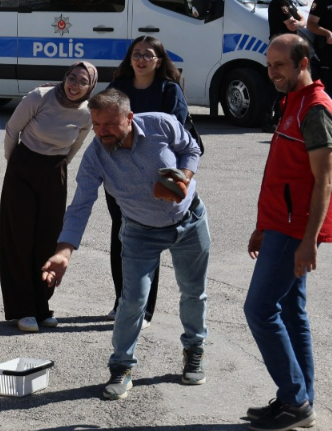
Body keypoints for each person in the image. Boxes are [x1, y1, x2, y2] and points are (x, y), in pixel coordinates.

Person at [41, 89, 208, 400]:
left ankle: (194, 351)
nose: (102, 132)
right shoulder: (95, 157)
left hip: (189, 220)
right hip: (140, 230)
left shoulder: (161, 124)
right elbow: (80, 206)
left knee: (193, 291)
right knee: (132, 301)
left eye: (110, 125)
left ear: (130, 118)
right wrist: (64, 252)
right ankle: (121, 367)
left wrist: (183, 179)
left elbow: (191, 148)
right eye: (96, 125)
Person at [243, 34, 332, 431]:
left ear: (302, 63)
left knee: (259, 309)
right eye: (269, 65)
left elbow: (325, 182)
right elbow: (284, 175)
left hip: (294, 231)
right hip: (279, 226)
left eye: (279, 65)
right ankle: (299, 400)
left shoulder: (315, 109)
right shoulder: (294, 102)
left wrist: (307, 241)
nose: (272, 72)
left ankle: (295, 399)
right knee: (289, 311)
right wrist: (262, 226)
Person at [0, 62, 95, 333]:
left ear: (90, 87)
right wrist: (14, 162)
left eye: (82, 82)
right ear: (64, 78)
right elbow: (12, 130)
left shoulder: (87, 113)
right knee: (20, 238)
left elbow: (75, 146)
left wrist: (60, 167)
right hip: (23, 166)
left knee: (48, 238)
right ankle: (23, 308)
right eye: (71, 78)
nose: (74, 85)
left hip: (55, 171)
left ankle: (42, 305)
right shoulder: (40, 96)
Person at [105, 36, 189, 325]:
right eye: (136, 54)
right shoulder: (118, 88)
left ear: (159, 60)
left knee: (147, 239)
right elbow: (102, 122)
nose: (141, 59)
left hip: (154, 176)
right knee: (122, 236)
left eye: (148, 55)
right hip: (118, 175)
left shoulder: (169, 90)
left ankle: (144, 307)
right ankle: (122, 301)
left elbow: (176, 132)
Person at [265, 0, 305, 131]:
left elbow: (302, 19)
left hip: (289, 49)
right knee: (276, 83)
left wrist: (299, 23)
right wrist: (297, 24)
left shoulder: (289, 3)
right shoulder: (279, 4)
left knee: (287, 83)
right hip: (280, 49)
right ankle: (267, 119)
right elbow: (292, 26)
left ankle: (279, 118)